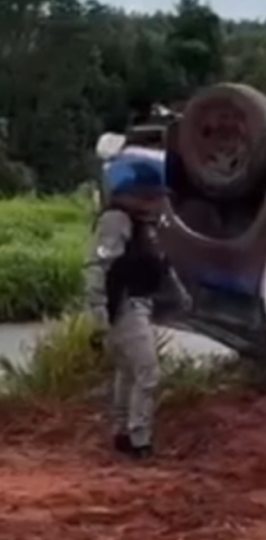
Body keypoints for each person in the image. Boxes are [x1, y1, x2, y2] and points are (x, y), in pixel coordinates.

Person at [84, 158, 191, 460]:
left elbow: (162, 265)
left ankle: (123, 432)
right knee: (148, 372)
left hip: (139, 304)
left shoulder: (144, 225)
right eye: (155, 196)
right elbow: (97, 268)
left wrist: (180, 297)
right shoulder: (117, 222)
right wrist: (99, 316)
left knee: (129, 372)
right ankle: (139, 438)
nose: (160, 202)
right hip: (125, 306)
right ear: (138, 195)